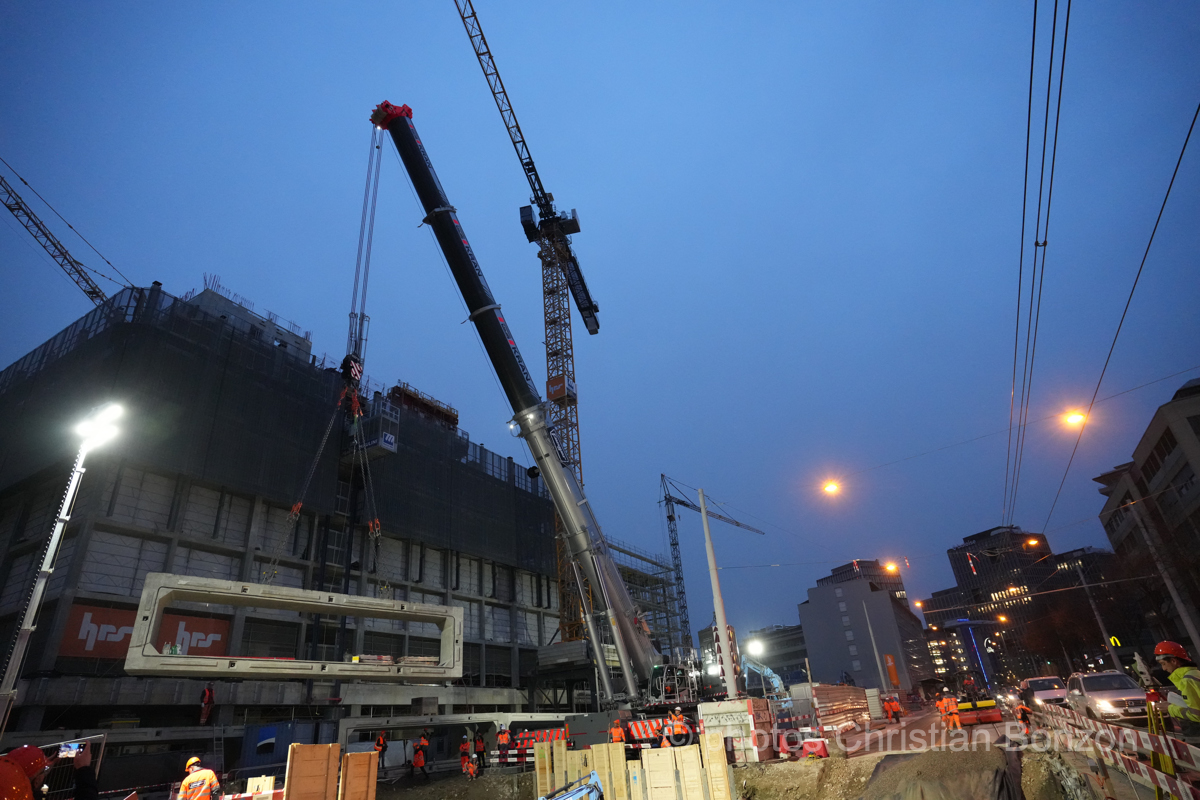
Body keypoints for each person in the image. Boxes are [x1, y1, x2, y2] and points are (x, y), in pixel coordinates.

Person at [1154, 641, 1200, 732]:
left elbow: (1197, 715)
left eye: (1163, 664)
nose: (1164, 668)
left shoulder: (1187, 680)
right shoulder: (1195, 674)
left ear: (1174, 661)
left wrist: (1169, 708)